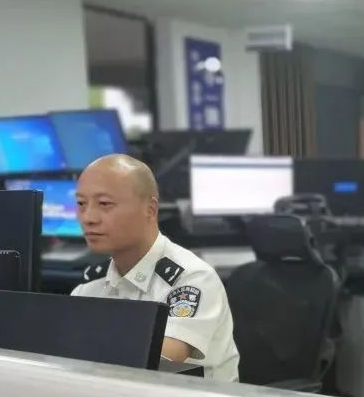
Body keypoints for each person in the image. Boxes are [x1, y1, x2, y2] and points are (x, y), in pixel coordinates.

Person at [71, 155, 240, 382]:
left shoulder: (192, 279)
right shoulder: (89, 287)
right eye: (81, 204)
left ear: (150, 209)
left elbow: (162, 358)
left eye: (105, 204)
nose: (88, 217)